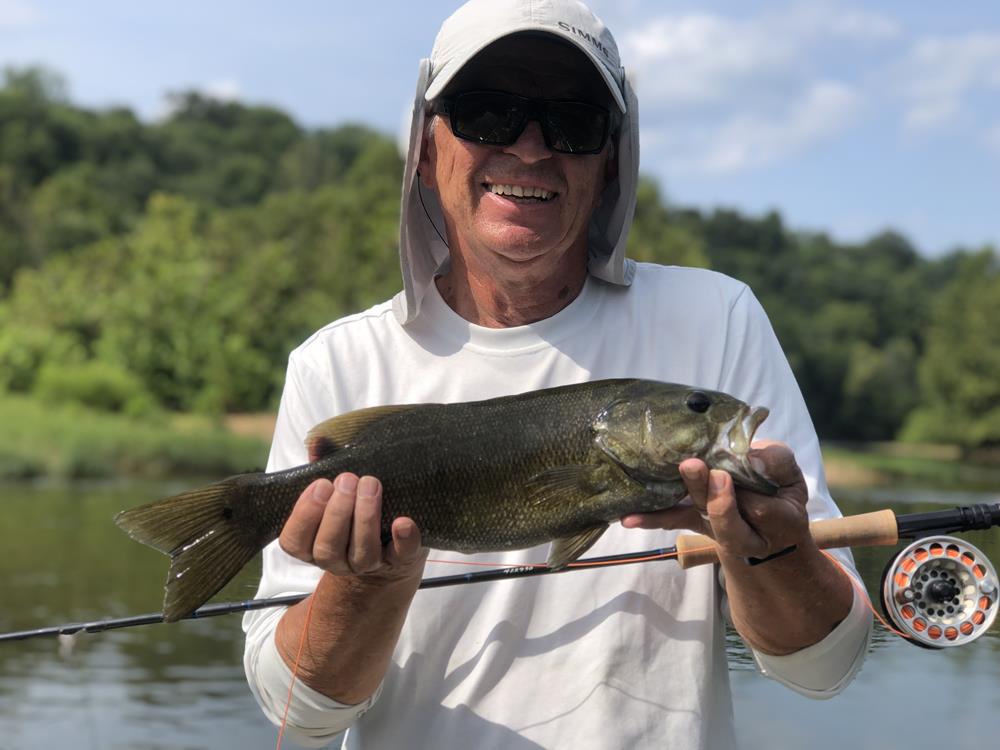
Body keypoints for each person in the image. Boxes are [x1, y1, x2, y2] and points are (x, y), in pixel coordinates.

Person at [243, 1, 873, 747]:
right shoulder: (338, 362)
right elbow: (301, 712)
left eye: (574, 122)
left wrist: (773, 547)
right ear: (423, 143)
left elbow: (823, 668)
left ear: (610, 161)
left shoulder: (715, 319)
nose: (533, 148)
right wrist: (365, 583)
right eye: (486, 111)